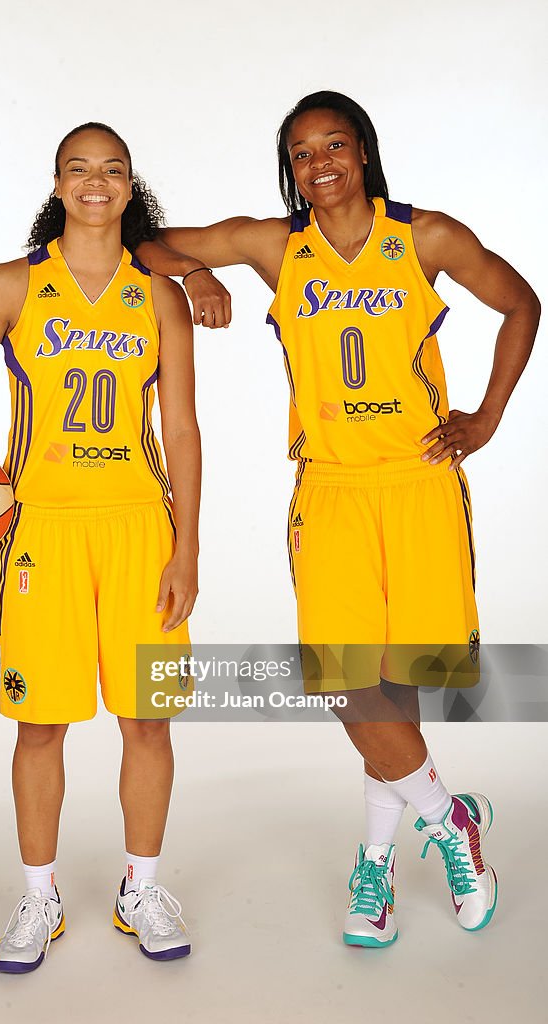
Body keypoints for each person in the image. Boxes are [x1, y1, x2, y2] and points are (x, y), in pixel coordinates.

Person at [137, 91, 540, 948]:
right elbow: (144, 241)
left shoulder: (423, 237)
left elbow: (521, 304)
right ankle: (449, 819)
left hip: (420, 481)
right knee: (345, 682)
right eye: (300, 152)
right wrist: (195, 271)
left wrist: (488, 414)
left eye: (334, 145)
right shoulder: (274, 247)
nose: (318, 163)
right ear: (289, 169)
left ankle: (377, 867)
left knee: (396, 684)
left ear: (363, 153)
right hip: (327, 489)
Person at [0, 122, 201, 971]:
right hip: (39, 533)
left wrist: (187, 546)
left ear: (132, 187)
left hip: (138, 527)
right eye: (78, 168)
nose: (96, 182)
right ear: (57, 184)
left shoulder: (159, 295)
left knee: (148, 719)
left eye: (113, 169)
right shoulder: (13, 286)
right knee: (41, 724)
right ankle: (39, 895)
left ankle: (141, 887)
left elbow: (183, 429)